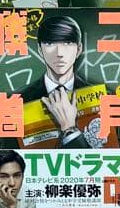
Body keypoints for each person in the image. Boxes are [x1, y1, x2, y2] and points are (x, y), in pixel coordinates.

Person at [20, 15, 105, 147]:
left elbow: (114, 152)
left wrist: (69, 128)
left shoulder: (104, 99)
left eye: (67, 43)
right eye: (50, 44)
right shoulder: (19, 102)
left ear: (79, 49)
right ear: (40, 50)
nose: (59, 53)